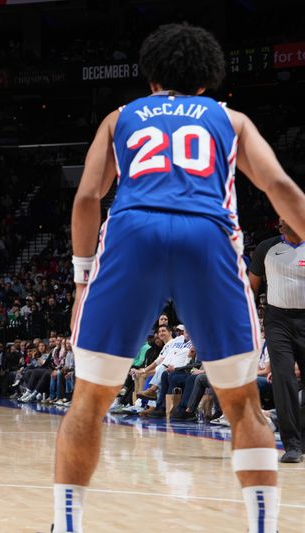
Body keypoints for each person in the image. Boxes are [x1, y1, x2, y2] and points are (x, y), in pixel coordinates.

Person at [54, 23, 305, 533]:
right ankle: (264, 527)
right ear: (206, 81)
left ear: (149, 77)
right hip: (206, 236)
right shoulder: (229, 119)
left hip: (132, 233)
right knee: (243, 403)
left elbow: (86, 198)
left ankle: (67, 525)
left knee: (90, 398)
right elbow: (278, 184)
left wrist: (83, 275)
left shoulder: (119, 117)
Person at [248, 218, 305, 463]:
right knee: (283, 379)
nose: (280, 221)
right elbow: (251, 287)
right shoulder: (266, 248)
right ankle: (292, 444)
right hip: (277, 320)